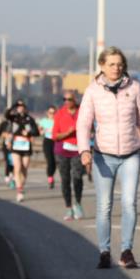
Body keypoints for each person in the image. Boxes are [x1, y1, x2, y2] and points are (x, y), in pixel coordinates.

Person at [77, 47, 140, 270]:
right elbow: (83, 123)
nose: (116, 68)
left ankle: (127, 251)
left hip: (130, 153)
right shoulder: (92, 91)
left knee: (129, 203)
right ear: (102, 66)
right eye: (111, 64)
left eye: (119, 64)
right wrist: (84, 150)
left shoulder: (135, 88)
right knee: (104, 205)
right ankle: (104, 251)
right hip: (103, 154)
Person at [53, 91, 85, 220]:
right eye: (64, 99)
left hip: (78, 149)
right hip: (62, 150)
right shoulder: (60, 113)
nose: (67, 102)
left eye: (69, 99)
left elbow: (90, 127)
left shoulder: (82, 112)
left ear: (75, 100)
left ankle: (77, 203)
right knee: (65, 180)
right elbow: (55, 135)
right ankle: (68, 208)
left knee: (77, 177)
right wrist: (68, 132)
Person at [4, 100, 39, 202]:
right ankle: (19, 190)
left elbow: (36, 132)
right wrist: (14, 105)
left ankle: (21, 186)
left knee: (24, 167)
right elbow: (6, 114)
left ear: (25, 107)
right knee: (17, 167)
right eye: (18, 106)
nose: (20, 107)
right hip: (16, 145)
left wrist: (28, 132)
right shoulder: (14, 118)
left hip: (26, 146)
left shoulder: (29, 119)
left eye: (22, 106)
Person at [39, 106, 57, 189]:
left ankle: (52, 175)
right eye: (50, 113)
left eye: (53, 113)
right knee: (50, 161)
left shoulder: (57, 121)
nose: (52, 115)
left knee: (55, 161)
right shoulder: (43, 121)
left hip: (56, 141)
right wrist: (43, 131)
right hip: (47, 141)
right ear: (47, 113)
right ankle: (50, 178)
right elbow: (39, 131)